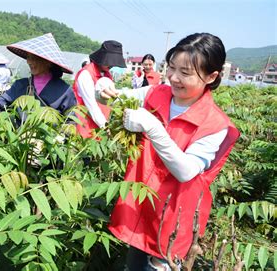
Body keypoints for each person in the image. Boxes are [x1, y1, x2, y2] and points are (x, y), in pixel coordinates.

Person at [96, 33, 240, 270]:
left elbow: (186, 171)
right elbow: (115, 98)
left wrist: (153, 127)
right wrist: (102, 89)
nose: (173, 78)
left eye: (185, 73)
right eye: (171, 67)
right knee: (133, 266)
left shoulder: (215, 125)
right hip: (141, 204)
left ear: (211, 76)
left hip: (173, 219)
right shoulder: (155, 93)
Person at [72, 40, 126, 138]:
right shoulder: (86, 74)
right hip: (85, 127)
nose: (111, 65)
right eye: (109, 62)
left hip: (101, 127)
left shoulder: (107, 74)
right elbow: (91, 105)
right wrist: (105, 126)